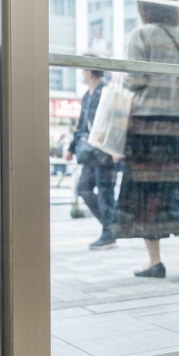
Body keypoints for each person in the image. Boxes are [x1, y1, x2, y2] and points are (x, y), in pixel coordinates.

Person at [111, 0, 179, 279]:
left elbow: (135, 79)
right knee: (167, 187)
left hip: (148, 126)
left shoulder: (142, 35)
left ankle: (155, 261)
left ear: (144, 7)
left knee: (144, 193)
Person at [67, 65, 117, 249]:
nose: (81, 73)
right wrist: (72, 147)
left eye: (83, 70)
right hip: (90, 150)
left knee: (106, 194)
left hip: (105, 150)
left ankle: (109, 231)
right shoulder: (87, 95)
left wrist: (117, 150)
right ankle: (112, 225)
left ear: (89, 71)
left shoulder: (107, 91)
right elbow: (82, 124)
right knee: (84, 189)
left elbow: (114, 122)